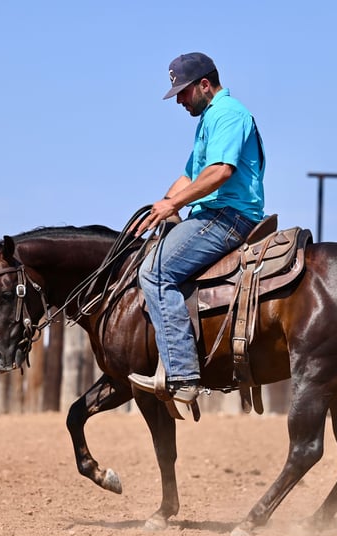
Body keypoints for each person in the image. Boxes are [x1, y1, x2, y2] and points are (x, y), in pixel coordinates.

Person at [128, 52, 266, 405]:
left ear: (205, 84)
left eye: (183, 92)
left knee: (156, 273)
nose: (179, 101)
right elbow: (190, 176)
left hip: (227, 216)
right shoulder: (208, 120)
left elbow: (220, 171)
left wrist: (173, 206)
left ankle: (183, 375)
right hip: (214, 213)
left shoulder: (228, 114)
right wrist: (155, 211)